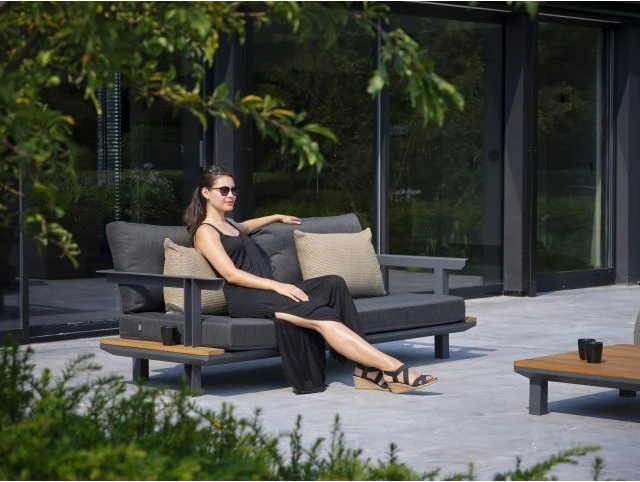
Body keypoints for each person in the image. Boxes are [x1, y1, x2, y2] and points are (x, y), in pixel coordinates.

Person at [185, 165, 437, 394]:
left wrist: (276, 217)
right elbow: (231, 274)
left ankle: (366, 369)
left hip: (267, 291)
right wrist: (278, 285)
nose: (231, 195)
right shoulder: (205, 232)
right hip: (247, 297)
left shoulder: (230, 224)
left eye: (234, 190)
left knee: (333, 283)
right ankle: (392, 367)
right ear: (206, 193)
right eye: (224, 190)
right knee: (322, 314)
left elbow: (247, 226)